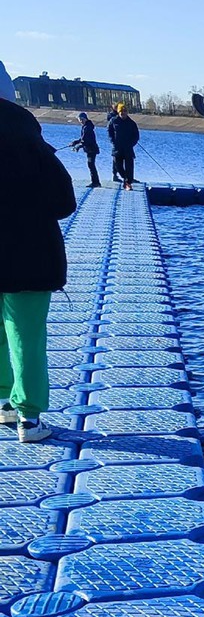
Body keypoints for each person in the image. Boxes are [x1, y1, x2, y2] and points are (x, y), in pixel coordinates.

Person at [0, 61, 78, 442]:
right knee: (25, 332)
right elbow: (64, 201)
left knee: (0, 330)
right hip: (28, 255)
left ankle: (3, 403)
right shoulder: (28, 139)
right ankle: (29, 419)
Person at [110, 103, 139, 190]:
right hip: (117, 148)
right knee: (118, 167)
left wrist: (131, 144)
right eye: (121, 111)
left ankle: (128, 183)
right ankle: (125, 179)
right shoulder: (113, 121)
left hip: (128, 148)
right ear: (118, 112)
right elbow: (109, 132)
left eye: (125, 111)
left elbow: (136, 136)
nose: (123, 113)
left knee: (129, 167)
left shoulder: (131, 123)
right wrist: (113, 142)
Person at [70, 112, 101, 187]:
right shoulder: (86, 126)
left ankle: (96, 182)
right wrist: (75, 142)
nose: (81, 121)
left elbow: (86, 140)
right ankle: (95, 182)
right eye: (79, 119)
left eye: (82, 119)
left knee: (91, 164)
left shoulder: (87, 127)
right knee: (91, 165)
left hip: (91, 148)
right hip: (89, 148)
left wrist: (78, 146)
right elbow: (83, 138)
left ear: (86, 119)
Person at [106, 104, 120, 182]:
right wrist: (113, 141)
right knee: (115, 158)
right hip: (115, 141)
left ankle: (126, 176)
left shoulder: (120, 114)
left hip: (122, 140)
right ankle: (115, 175)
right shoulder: (111, 116)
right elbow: (110, 129)